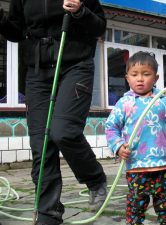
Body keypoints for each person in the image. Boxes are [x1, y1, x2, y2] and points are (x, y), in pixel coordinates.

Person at [0, 1, 107, 224]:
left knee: (63, 132)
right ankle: (48, 213)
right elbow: (16, 32)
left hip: (75, 65)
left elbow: (99, 27)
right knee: (41, 144)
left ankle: (94, 177)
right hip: (38, 71)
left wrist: (80, 11)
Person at [105, 51, 166, 225]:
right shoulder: (124, 102)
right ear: (127, 78)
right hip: (137, 165)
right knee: (136, 205)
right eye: (134, 75)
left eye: (146, 74)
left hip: (162, 164)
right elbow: (111, 127)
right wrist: (118, 146)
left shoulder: (164, 100)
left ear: (156, 78)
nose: (140, 79)